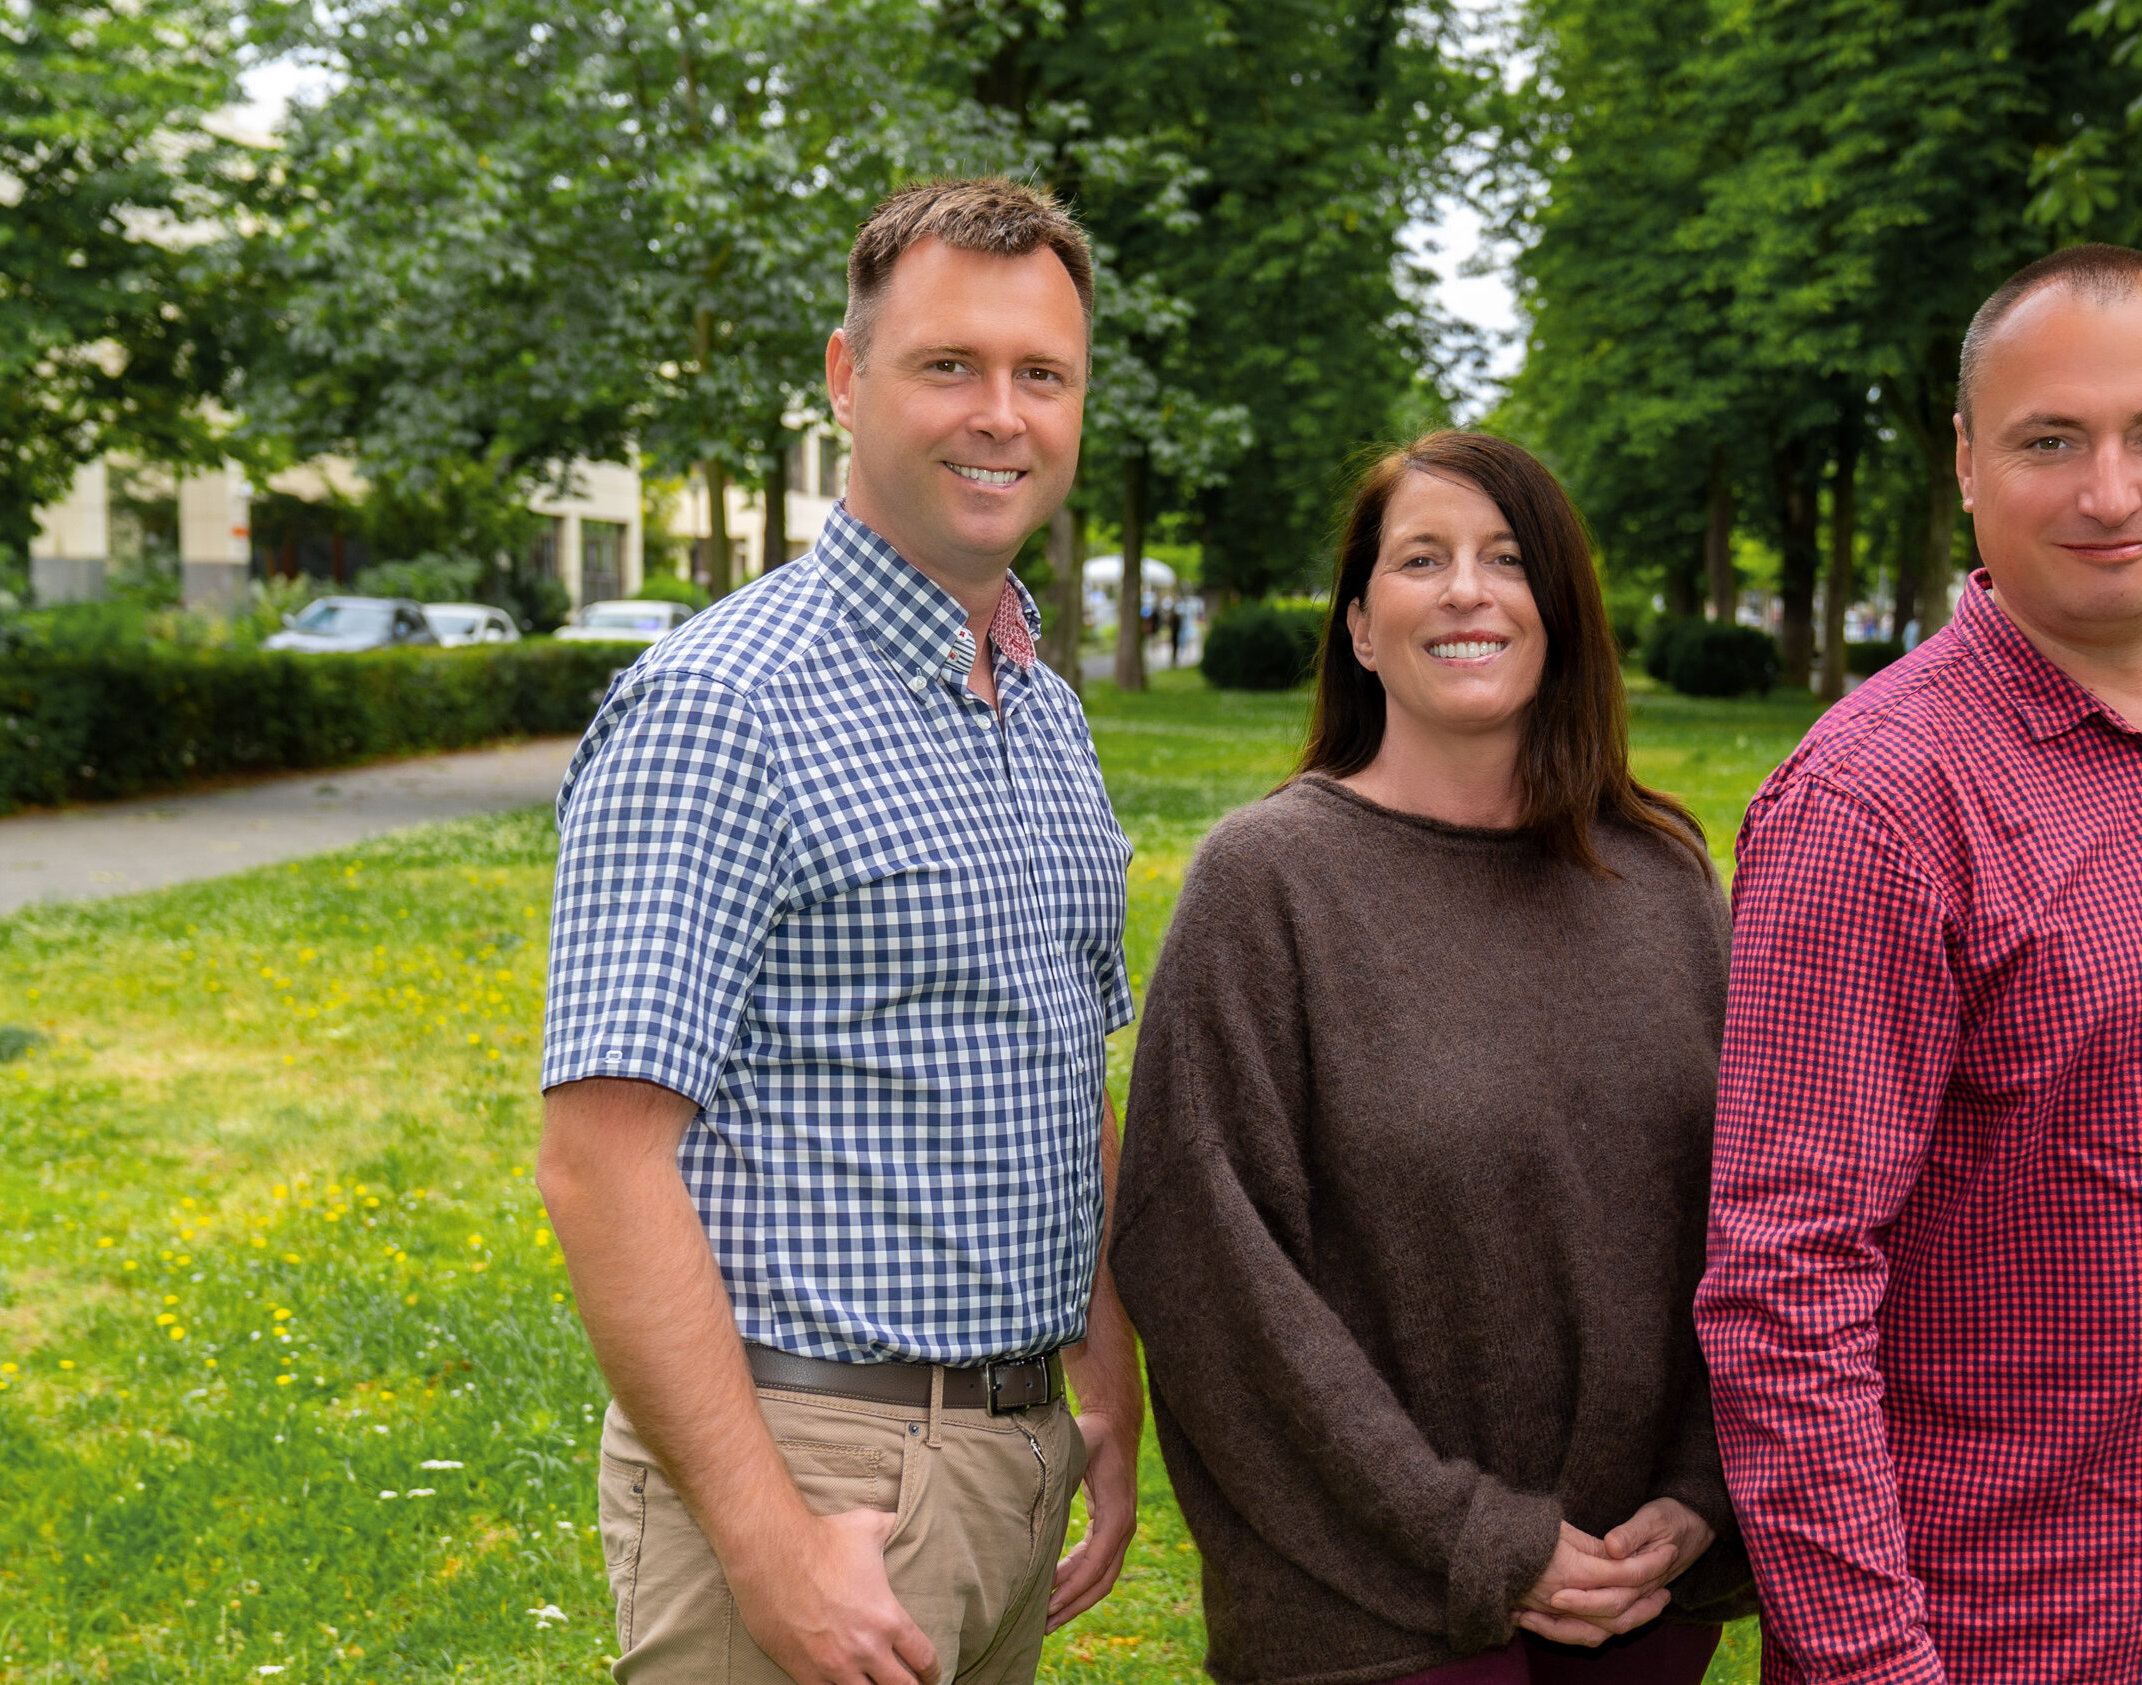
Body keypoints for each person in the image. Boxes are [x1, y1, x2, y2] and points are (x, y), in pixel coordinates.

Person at [1696, 245, 2142, 1685]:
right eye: (2049, 440)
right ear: (1966, 463)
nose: (2109, 492)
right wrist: (1871, 1665)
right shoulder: (1875, 804)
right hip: (2005, 1632)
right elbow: (1784, 1288)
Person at [536, 177, 1142, 1685]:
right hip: (812, 1468)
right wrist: (765, 1539)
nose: (999, 414)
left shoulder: (1045, 713)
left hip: (1010, 1447)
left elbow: (1070, 1075)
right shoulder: (722, 706)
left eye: (1040, 375)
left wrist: (1105, 1391)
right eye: (949, 365)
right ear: (844, 377)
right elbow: (601, 1157)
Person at [1110, 431, 1757, 1685]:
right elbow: (1211, 1267)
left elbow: (1750, 1212)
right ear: (1360, 626)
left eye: (1509, 558)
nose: (1468, 589)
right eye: (1423, 557)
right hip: (1369, 1613)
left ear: (1558, 612)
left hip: (1641, 1588)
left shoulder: (1664, 881)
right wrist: (1473, 1534)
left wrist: (1702, 1487)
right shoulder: (1270, 885)